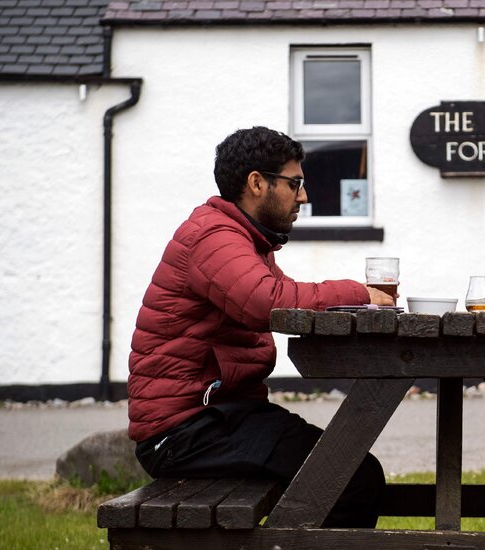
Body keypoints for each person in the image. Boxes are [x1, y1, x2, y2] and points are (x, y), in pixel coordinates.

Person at [127, 126, 395, 528]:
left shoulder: (241, 239)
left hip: (219, 417)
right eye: (295, 183)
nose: (303, 195)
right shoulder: (214, 236)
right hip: (184, 432)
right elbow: (267, 300)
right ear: (256, 183)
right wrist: (359, 293)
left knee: (348, 470)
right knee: (349, 476)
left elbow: (279, 295)